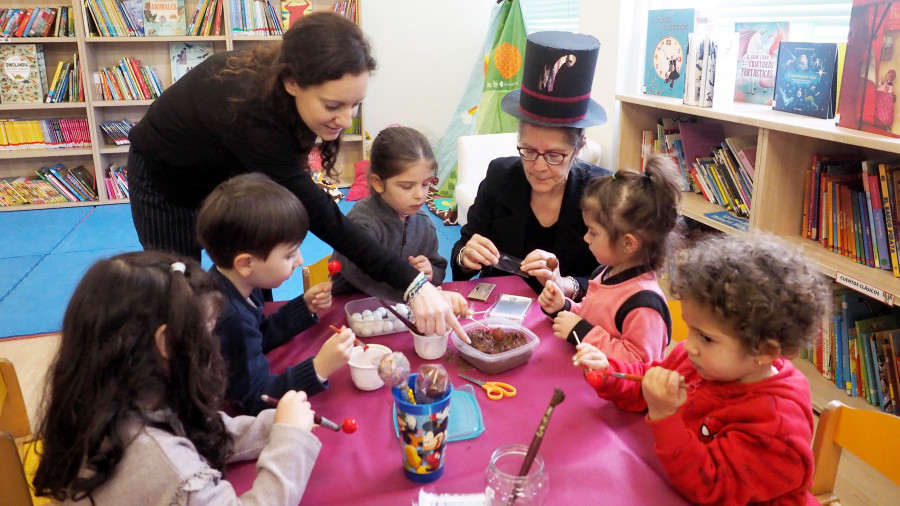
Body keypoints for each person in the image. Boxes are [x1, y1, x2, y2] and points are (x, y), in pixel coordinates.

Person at [127, 11, 463, 339]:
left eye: (355, 104)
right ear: (292, 83)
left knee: (250, 285)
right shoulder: (255, 118)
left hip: (227, 173)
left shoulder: (286, 94)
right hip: (167, 181)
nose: (346, 120)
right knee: (178, 297)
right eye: (333, 106)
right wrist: (413, 285)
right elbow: (326, 219)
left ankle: (253, 353)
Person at [32, 252, 321, 504]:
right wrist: (290, 442)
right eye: (209, 331)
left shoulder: (109, 395)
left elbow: (201, 428)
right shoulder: (160, 460)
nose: (215, 344)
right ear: (168, 342)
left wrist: (278, 425)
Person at [573, 233, 829, 504]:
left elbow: (712, 488)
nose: (688, 345)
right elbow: (647, 383)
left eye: (705, 337)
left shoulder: (776, 424)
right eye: (690, 328)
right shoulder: (702, 361)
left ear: (764, 351)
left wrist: (664, 415)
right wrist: (610, 372)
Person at [451, 31, 612, 298]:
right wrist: (466, 255)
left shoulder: (601, 192)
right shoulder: (501, 176)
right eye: (528, 150)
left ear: (578, 148)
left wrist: (567, 284)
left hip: (567, 318)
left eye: (554, 156)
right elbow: (463, 249)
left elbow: (614, 279)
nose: (538, 166)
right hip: (498, 316)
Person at [196, 173, 355, 415]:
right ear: (246, 263)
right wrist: (319, 368)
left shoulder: (238, 283)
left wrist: (303, 307)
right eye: (289, 255)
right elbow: (256, 398)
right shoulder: (230, 316)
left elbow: (258, 335)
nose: (300, 260)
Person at [537, 154, 682, 363]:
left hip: (617, 394)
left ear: (628, 244)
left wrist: (581, 331)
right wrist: (564, 308)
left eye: (593, 232)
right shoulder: (606, 272)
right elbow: (594, 317)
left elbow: (639, 365)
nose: (586, 238)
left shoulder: (644, 304)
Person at [330, 126, 447, 301]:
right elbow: (362, 276)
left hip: (399, 310)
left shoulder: (424, 223)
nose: (420, 194)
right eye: (407, 186)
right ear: (378, 183)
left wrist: (430, 272)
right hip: (352, 308)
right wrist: (415, 289)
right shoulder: (362, 221)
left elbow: (438, 267)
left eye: (425, 184)